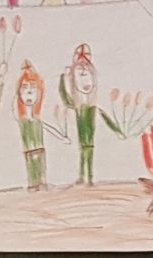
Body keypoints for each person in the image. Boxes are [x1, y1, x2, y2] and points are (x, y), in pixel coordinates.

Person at [57, 44, 128, 188]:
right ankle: (82, 176)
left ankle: (88, 177)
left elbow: (106, 118)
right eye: (81, 75)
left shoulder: (93, 108)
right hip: (82, 118)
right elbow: (66, 100)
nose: (86, 82)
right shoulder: (77, 105)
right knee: (84, 148)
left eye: (88, 76)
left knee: (87, 148)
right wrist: (62, 80)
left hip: (88, 126)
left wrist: (118, 131)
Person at [12, 60, 52, 192]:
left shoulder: (38, 121)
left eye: (33, 88)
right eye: (24, 88)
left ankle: (41, 181)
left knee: (39, 157)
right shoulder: (23, 121)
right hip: (29, 150)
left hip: (39, 150)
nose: (29, 92)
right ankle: (33, 183)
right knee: (31, 158)